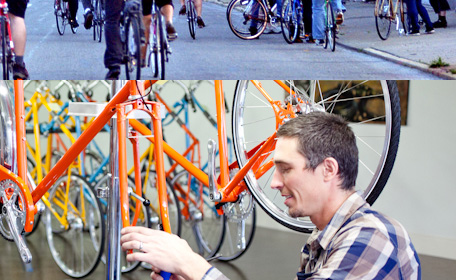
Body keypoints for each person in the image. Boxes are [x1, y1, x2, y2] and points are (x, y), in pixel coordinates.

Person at [121, 112, 421, 280]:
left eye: (285, 169)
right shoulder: (322, 241)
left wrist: (192, 264)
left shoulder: (372, 237)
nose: (274, 182)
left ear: (328, 169)